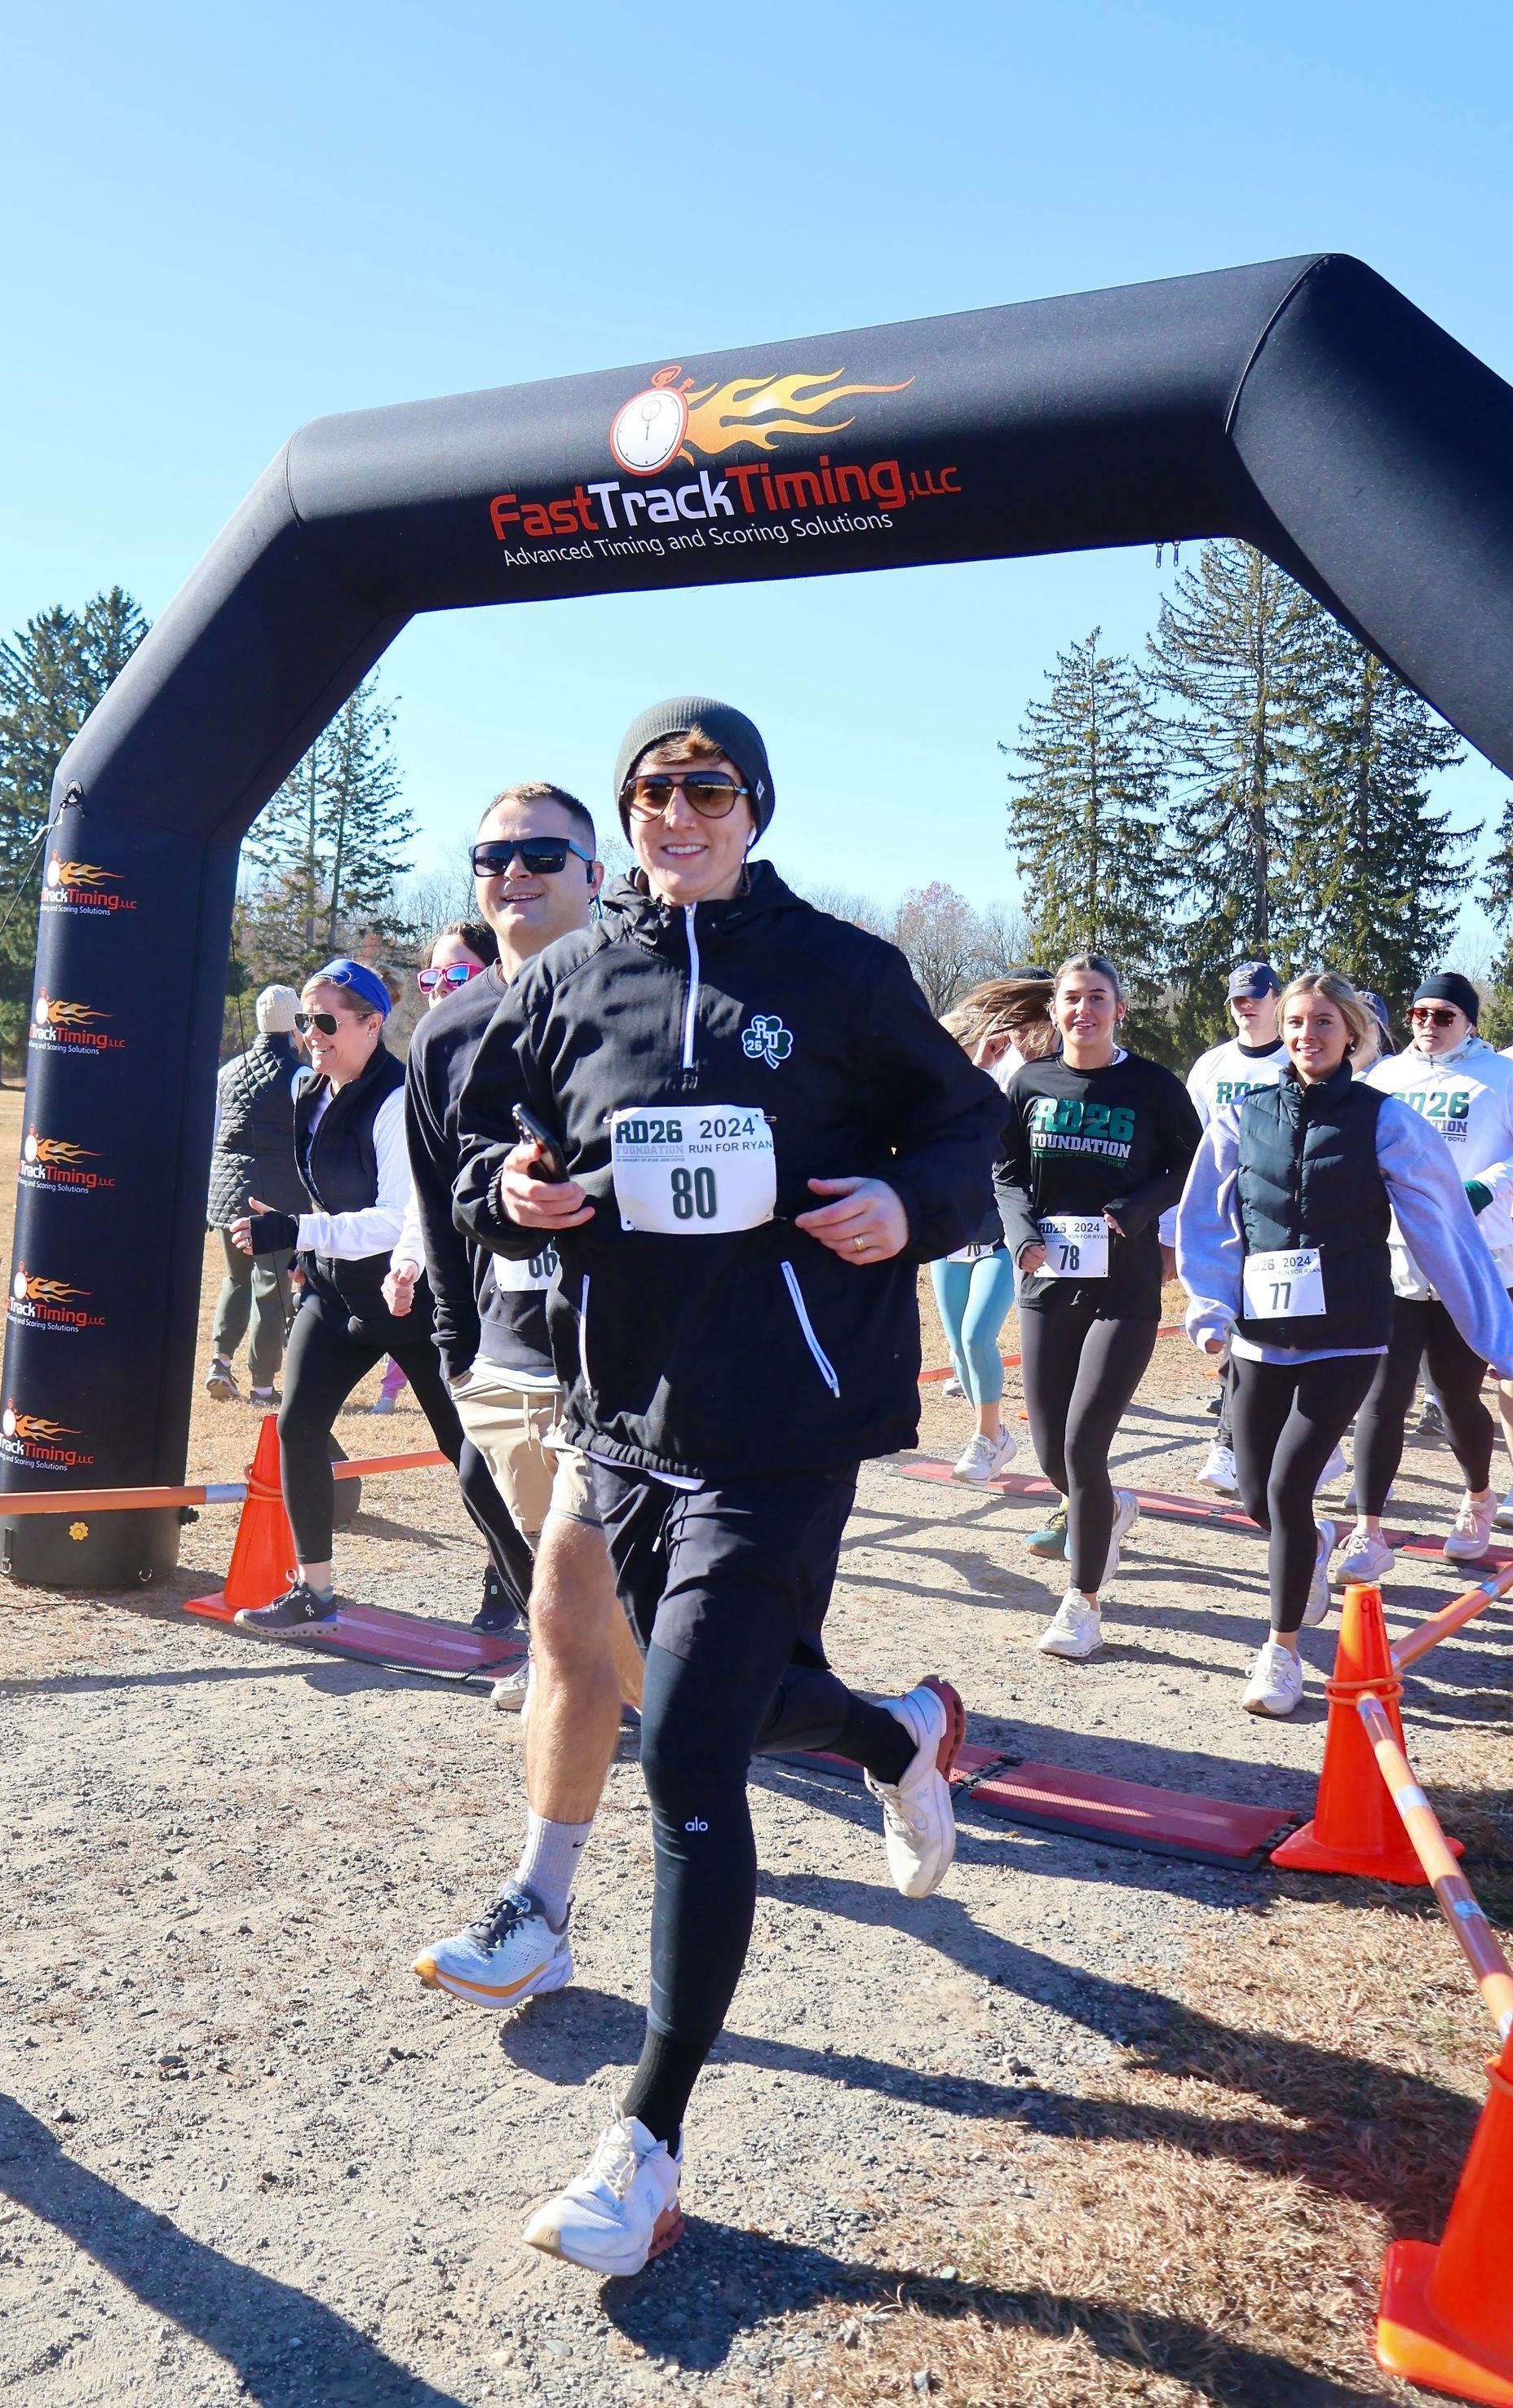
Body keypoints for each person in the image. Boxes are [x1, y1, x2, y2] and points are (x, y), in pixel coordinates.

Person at [454, 696, 1002, 2275]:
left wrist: (908, 1205)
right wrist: (512, 1190)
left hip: (785, 1426)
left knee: (688, 1751)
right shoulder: (566, 978)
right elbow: (492, 1146)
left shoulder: (840, 970)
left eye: (707, 790)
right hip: (625, 1419)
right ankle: (895, 1734)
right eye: (652, 792)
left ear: (755, 807)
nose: (676, 816)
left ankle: (646, 2148)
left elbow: (969, 1128)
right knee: (717, 1696)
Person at [397, 784, 649, 2011]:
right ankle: (875, 1732)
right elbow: (441, 1209)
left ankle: (541, 1902)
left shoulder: (647, 1001)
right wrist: (457, 1359)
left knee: (593, 1622)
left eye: (544, 853)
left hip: (633, 1373)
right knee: (600, 1635)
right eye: (492, 855)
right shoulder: (446, 1036)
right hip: (505, 1367)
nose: (515, 872)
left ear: (594, 874)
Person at [1177, 970, 1513, 1717]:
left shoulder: (1385, 1119)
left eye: (1324, 1021)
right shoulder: (1242, 1116)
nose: (1308, 1035)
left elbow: (1443, 1227)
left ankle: (1282, 1651)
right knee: (1258, 1494)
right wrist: (1210, 1306)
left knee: (1288, 1488)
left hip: (1349, 1334)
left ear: (1351, 1032)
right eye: (1297, 1021)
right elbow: (1206, 1219)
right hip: (1261, 1336)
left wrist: (1495, 1332)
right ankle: (1314, 1541)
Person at [227, 957, 530, 1635]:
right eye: (305, 1021)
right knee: (297, 1425)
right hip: (338, 1297)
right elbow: (331, 1195)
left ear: (373, 1024)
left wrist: (298, 1230)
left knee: (470, 1452)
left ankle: (511, 1578)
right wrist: (307, 1251)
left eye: (326, 1022)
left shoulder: (398, 1099)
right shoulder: (310, 1090)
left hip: (415, 1301)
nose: (312, 1034)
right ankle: (315, 1591)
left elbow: (397, 1219)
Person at [995, 953, 1201, 1661]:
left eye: (1097, 998)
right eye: (1072, 998)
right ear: (1054, 1011)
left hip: (1125, 1290)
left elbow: (1191, 1162)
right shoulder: (1030, 1082)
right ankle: (1108, 1508)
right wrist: (1021, 1234)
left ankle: (1081, 1602)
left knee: (1085, 1445)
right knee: (1052, 1450)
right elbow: (1006, 1170)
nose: (1083, 1009)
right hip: (1047, 1281)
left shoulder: (1152, 1086)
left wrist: (1139, 1209)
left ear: (1119, 1009)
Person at [1334, 972, 1513, 1578]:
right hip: (1397, 1256)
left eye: (1443, 1016)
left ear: (1470, 1022)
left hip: (1472, 1256)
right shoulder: (1384, 1078)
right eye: (1418, 1014)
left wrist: (1487, 1186)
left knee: (1457, 1394)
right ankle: (1368, 1531)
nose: (1428, 1026)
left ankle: (1478, 1496)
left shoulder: (1501, 1078)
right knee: (1384, 1395)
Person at [1167, 963, 1294, 1497]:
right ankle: (1229, 1443)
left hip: (1281, 1216)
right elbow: (1188, 1144)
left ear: (1277, 999)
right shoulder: (1210, 1065)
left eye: (1255, 997)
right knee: (1235, 1325)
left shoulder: (1295, 1059)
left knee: (1272, 1332)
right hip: (1222, 1214)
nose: (1245, 1006)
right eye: (1238, 999)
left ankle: (1255, 1442)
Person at [931, 976, 1055, 1486]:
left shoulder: (1013, 1084)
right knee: (960, 1351)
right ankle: (998, 1434)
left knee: (977, 1335)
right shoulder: (944, 1094)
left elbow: (1005, 1132)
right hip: (950, 1234)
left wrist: (982, 1070)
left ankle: (985, 1437)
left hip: (1001, 1233)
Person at [371, 925, 497, 1419]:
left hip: (530, 1289)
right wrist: (408, 1260)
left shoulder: (536, 1047)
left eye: (458, 973)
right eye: (431, 979)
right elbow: (425, 1191)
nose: (442, 987)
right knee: (469, 1448)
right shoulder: (428, 1070)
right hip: (461, 1294)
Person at [203, 984, 303, 1408]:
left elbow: (213, 1134)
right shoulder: (301, 1076)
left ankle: (219, 1361)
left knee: (236, 1278)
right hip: (276, 1198)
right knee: (271, 1286)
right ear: (295, 1025)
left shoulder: (227, 1072)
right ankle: (263, 1385)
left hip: (227, 1194)